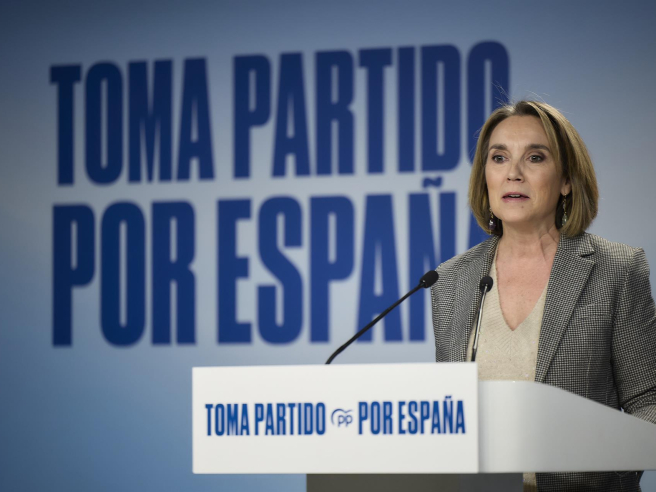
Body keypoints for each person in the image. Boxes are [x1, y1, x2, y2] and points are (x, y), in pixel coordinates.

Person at [430, 100, 656, 492]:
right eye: (499, 158)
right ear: (485, 177)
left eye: (534, 157)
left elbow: (648, 402)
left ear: (566, 180)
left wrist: (608, 474)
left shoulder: (616, 270)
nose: (513, 173)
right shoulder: (450, 280)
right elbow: (449, 414)